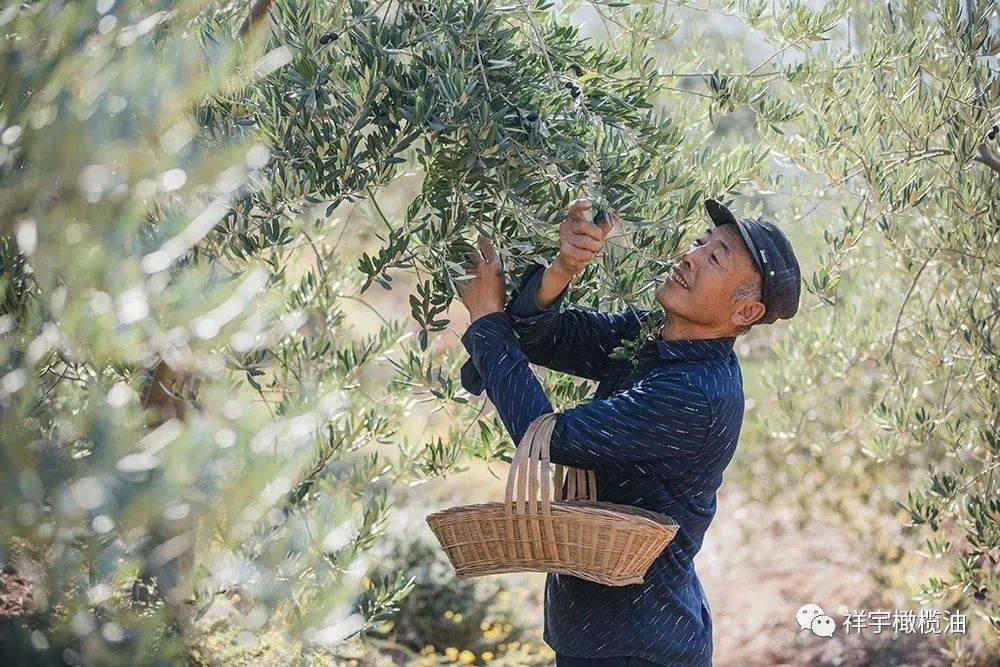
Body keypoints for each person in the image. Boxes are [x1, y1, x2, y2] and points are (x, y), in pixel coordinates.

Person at [455, 197, 802, 666]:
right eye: (701, 242)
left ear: (745, 312)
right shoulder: (651, 337)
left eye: (716, 258)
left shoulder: (695, 394)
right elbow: (546, 337)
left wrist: (486, 320)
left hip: (638, 647)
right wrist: (563, 267)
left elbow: (549, 439)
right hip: (597, 636)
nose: (690, 255)